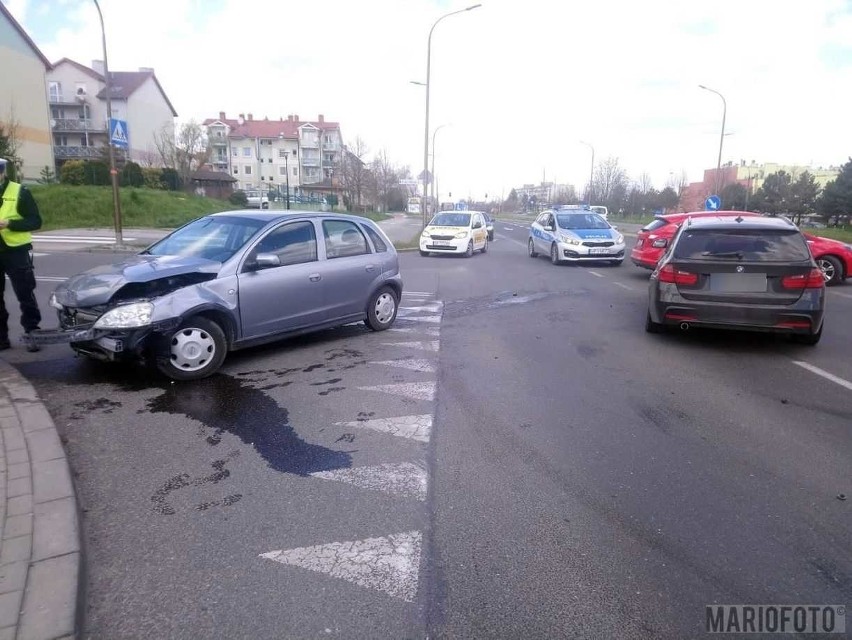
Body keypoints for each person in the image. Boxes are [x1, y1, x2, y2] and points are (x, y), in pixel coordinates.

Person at [0, 158, 42, 352]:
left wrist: (10, 224)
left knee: (25, 294)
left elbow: (35, 221)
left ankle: (32, 332)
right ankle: (2, 338)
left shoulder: (19, 192)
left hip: (16, 252)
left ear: (2, 173)